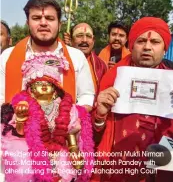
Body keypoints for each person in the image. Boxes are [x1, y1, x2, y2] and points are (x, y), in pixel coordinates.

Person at [92, 17, 173, 182]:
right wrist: (100, 115)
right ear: (131, 46)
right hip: (117, 168)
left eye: (155, 42)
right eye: (141, 41)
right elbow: (93, 134)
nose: (147, 47)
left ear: (165, 48)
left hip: (160, 167)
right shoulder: (112, 79)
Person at [1, 53, 94, 182]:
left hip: (62, 152)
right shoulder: (23, 105)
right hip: (32, 154)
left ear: (55, 88)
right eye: (38, 83)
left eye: (48, 83)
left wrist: (74, 150)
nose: (44, 86)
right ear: (31, 89)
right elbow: (18, 135)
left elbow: (73, 132)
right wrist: (21, 120)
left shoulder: (68, 107)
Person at [0, 0, 95, 112]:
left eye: (50, 18)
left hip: (66, 128)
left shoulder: (77, 57)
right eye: (36, 18)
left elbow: (87, 95)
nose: (43, 23)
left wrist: (73, 117)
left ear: (59, 25)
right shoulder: (7, 56)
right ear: (27, 23)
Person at [64, 23, 107, 93]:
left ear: (93, 41)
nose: (84, 40)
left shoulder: (102, 66)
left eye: (88, 36)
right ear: (71, 40)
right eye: (79, 35)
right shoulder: (61, 61)